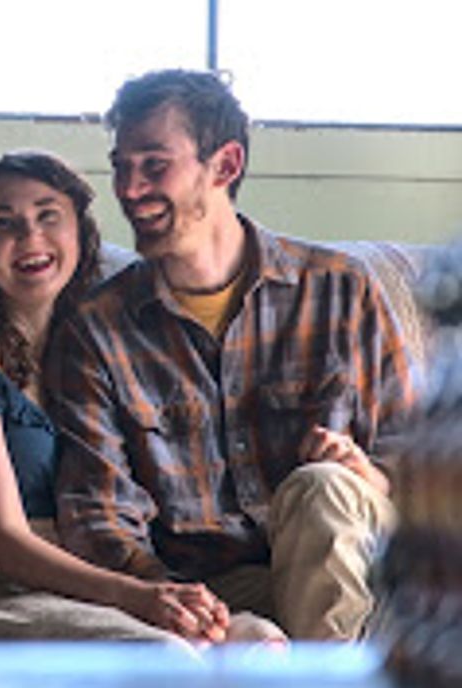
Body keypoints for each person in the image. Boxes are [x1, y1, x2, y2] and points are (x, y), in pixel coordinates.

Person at [46, 69, 420, 641]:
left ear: (224, 165)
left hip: (359, 566)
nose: (129, 189)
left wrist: (366, 475)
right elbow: (99, 515)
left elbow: (417, 468)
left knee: (322, 489)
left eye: (154, 165)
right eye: (121, 166)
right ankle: (325, 676)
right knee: (253, 638)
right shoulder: (96, 330)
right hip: (218, 591)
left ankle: (320, 681)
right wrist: (167, 597)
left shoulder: (342, 292)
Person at [0, 151, 278, 647]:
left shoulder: (104, 348)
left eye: (48, 216)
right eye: (3, 223)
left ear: (81, 233)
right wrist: (139, 597)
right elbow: (1, 537)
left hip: (88, 577)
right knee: (160, 653)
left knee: (256, 640)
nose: (30, 237)